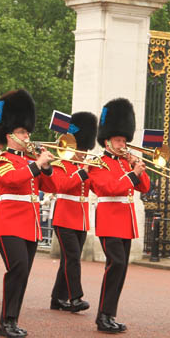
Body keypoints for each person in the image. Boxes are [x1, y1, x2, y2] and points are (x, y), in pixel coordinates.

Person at [0, 89, 56, 338]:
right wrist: (36, 165)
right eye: (21, 132)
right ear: (9, 135)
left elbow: (53, 187)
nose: (26, 136)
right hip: (8, 224)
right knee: (16, 268)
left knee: (23, 272)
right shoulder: (2, 160)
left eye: (27, 132)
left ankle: (12, 319)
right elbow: (12, 180)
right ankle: (6, 321)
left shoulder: (32, 162)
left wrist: (46, 167)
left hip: (30, 224)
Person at [89, 98, 150, 333]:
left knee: (121, 268)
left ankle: (109, 315)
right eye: (118, 140)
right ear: (107, 140)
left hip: (125, 222)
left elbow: (144, 187)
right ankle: (103, 316)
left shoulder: (126, 163)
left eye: (125, 140)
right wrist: (132, 173)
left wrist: (137, 167)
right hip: (108, 220)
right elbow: (109, 188)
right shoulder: (98, 163)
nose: (123, 144)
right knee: (116, 264)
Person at [49, 112, 97, 313]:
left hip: (81, 219)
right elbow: (62, 185)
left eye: (86, 150)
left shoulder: (85, 166)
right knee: (74, 258)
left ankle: (57, 298)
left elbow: (97, 188)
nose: (84, 153)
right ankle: (75, 297)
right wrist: (82, 171)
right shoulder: (61, 165)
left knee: (68, 260)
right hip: (64, 217)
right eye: (81, 149)